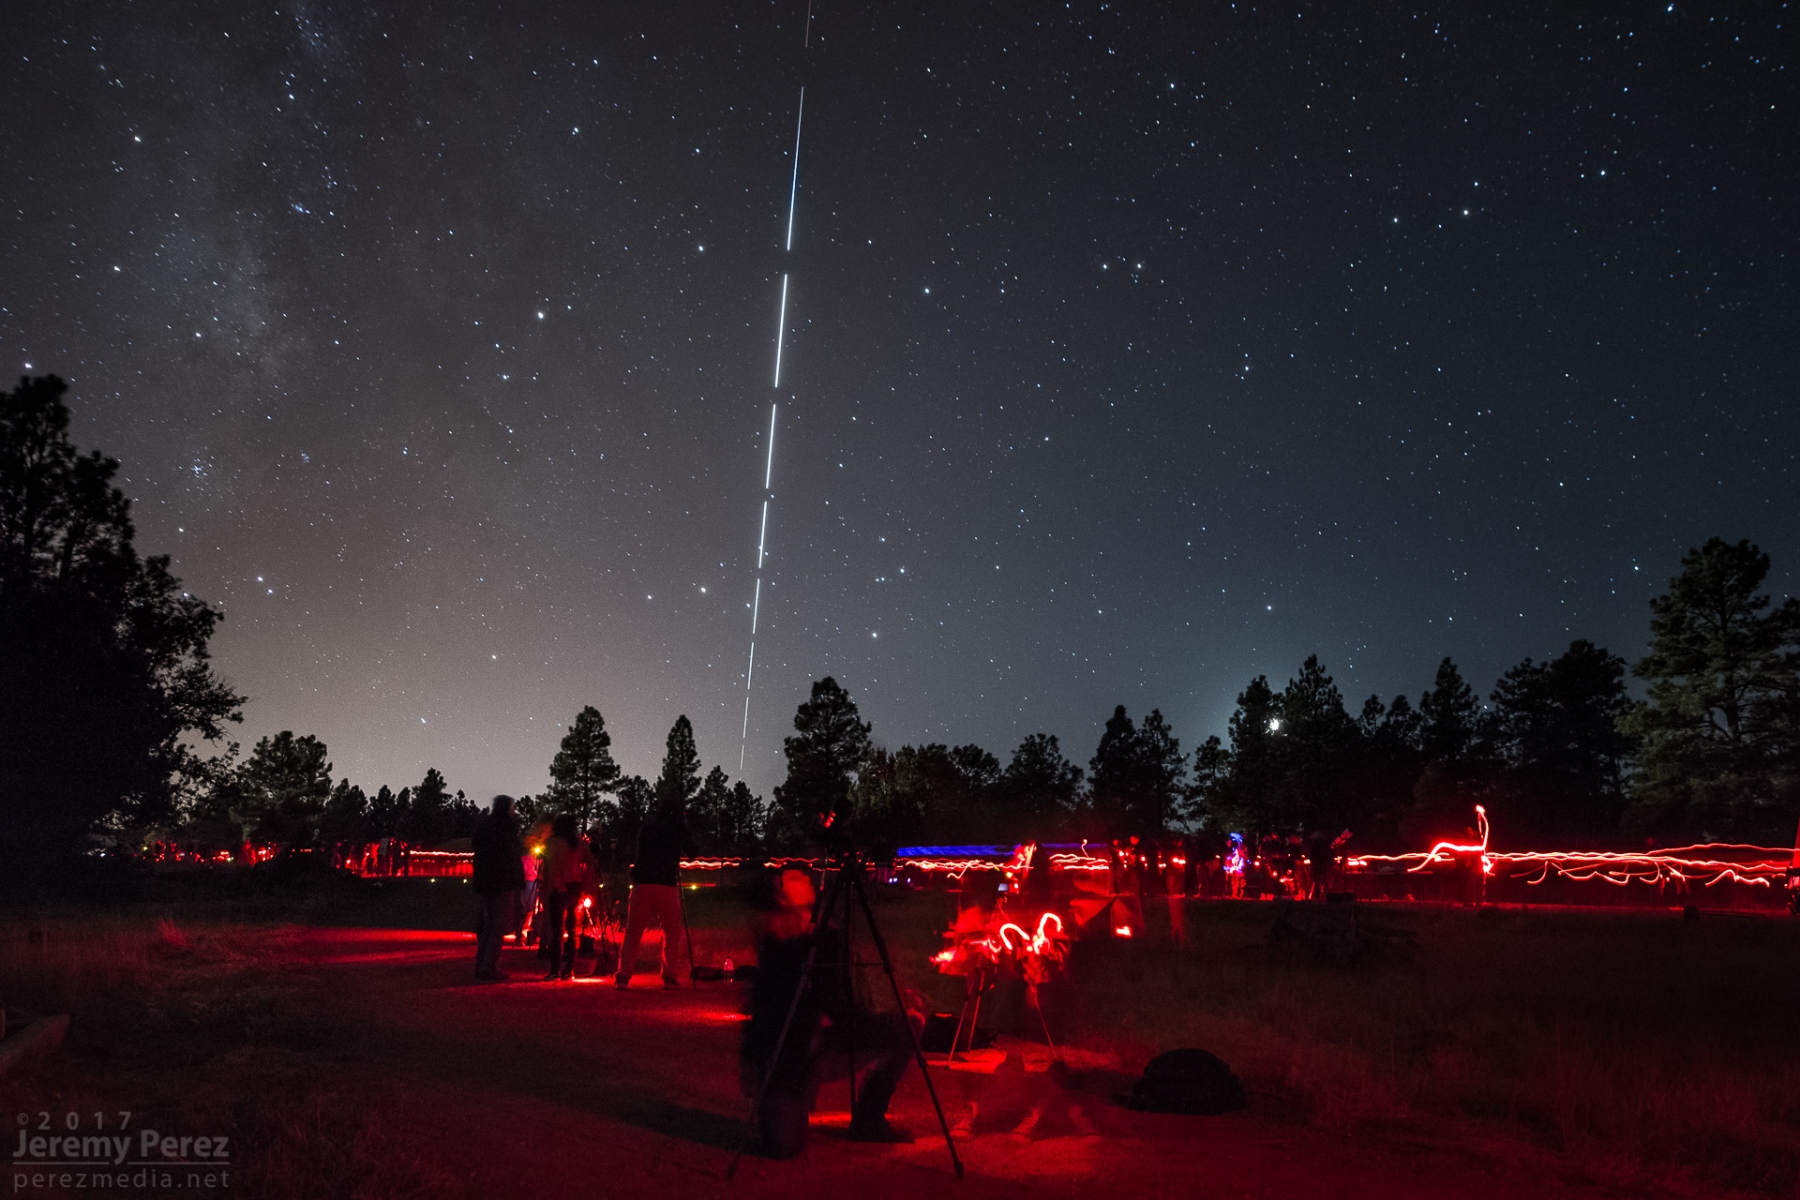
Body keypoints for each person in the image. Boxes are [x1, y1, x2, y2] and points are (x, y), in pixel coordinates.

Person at [740, 868, 916, 1157]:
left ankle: (869, 1118)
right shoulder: (783, 944)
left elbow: (843, 1011)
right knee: (784, 1146)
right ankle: (776, 1100)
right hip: (783, 1057)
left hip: (811, 1045)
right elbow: (839, 1013)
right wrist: (827, 946)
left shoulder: (810, 941)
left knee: (906, 1026)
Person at [611, 795, 695, 989]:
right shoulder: (677, 828)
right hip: (665, 883)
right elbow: (692, 852)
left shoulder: (647, 828)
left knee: (634, 930)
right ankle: (669, 975)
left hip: (642, 882)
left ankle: (624, 974)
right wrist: (684, 829)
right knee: (672, 931)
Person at [471, 794, 526, 980]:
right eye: (512, 808)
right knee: (497, 925)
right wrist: (518, 881)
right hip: (502, 882)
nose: (514, 811)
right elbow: (511, 857)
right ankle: (488, 967)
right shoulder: (506, 829)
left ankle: (482, 964)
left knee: (488, 924)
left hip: (486, 882)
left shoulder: (485, 826)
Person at [540, 813, 596, 980]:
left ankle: (554, 969)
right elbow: (591, 863)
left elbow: (553, 867)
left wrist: (558, 886)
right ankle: (569, 969)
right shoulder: (578, 844)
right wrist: (585, 882)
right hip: (575, 887)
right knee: (572, 930)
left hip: (559, 889)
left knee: (557, 931)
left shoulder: (553, 843)